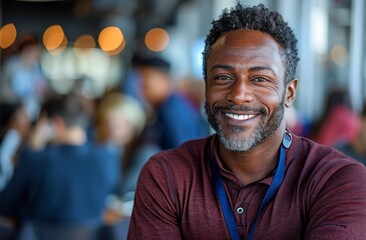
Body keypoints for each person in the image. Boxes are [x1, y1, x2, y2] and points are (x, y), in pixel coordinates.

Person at [127, 3, 366, 240]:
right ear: (206, 87)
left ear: (289, 93)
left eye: (260, 79)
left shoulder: (338, 179)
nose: (239, 95)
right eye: (223, 77)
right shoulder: (167, 175)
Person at [0, 94, 120, 238]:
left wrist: (32, 146)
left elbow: (4, 205)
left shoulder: (37, 160)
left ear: (56, 123)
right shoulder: (108, 158)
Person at [132, 53, 210, 150]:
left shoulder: (172, 111)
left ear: (164, 80)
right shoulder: (170, 104)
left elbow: (182, 157)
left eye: (146, 84)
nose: (141, 89)